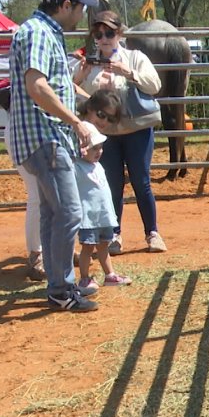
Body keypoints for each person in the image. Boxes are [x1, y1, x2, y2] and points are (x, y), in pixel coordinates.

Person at [8, 0, 99, 312]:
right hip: (44, 136)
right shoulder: (39, 33)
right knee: (69, 213)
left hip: (41, 137)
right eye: (78, 7)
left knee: (52, 213)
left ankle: (58, 285)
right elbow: (38, 86)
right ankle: (61, 289)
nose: (80, 14)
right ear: (65, 6)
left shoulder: (41, 31)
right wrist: (75, 121)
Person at [73, 9, 167, 255]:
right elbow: (73, 94)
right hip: (106, 134)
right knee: (112, 184)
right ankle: (114, 234)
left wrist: (128, 73)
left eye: (109, 33)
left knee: (141, 181)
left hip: (136, 129)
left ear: (119, 33)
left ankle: (152, 233)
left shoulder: (135, 57)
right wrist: (81, 77)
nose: (104, 38)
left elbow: (154, 85)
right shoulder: (88, 65)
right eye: (98, 33)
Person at [75, 90, 133, 290]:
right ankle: (84, 278)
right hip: (89, 217)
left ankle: (110, 275)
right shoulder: (77, 166)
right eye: (94, 148)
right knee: (87, 248)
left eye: (100, 148)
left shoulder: (98, 165)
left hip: (103, 215)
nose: (98, 152)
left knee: (103, 247)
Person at [0, 78, 44, 282]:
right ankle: (36, 254)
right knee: (37, 196)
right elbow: (1, 90)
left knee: (57, 196)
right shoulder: (23, 75)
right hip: (24, 132)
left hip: (43, 131)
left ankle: (55, 248)